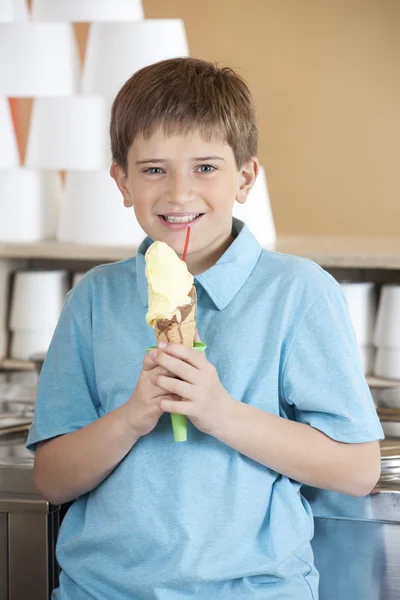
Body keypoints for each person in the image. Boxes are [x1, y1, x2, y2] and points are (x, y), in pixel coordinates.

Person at [27, 57, 383, 600]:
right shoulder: (94, 299)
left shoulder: (298, 293)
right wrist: (132, 417)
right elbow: (52, 479)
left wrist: (222, 413)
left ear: (245, 177)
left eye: (206, 167)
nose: (178, 193)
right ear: (121, 181)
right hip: (100, 590)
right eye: (152, 170)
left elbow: (357, 470)